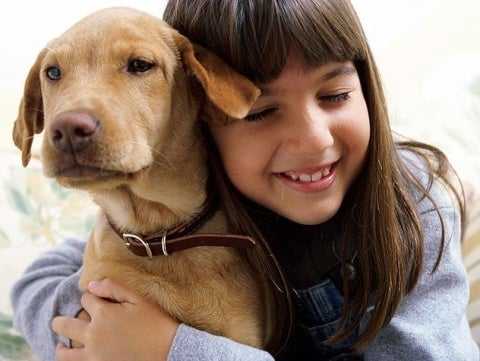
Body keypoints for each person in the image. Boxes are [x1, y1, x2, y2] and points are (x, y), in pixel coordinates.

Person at [10, 0, 479, 360]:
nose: (312, 140)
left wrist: (171, 349)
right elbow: (38, 280)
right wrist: (96, 328)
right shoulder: (190, 192)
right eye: (262, 111)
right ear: (203, 111)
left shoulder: (412, 205)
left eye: (335, 94)